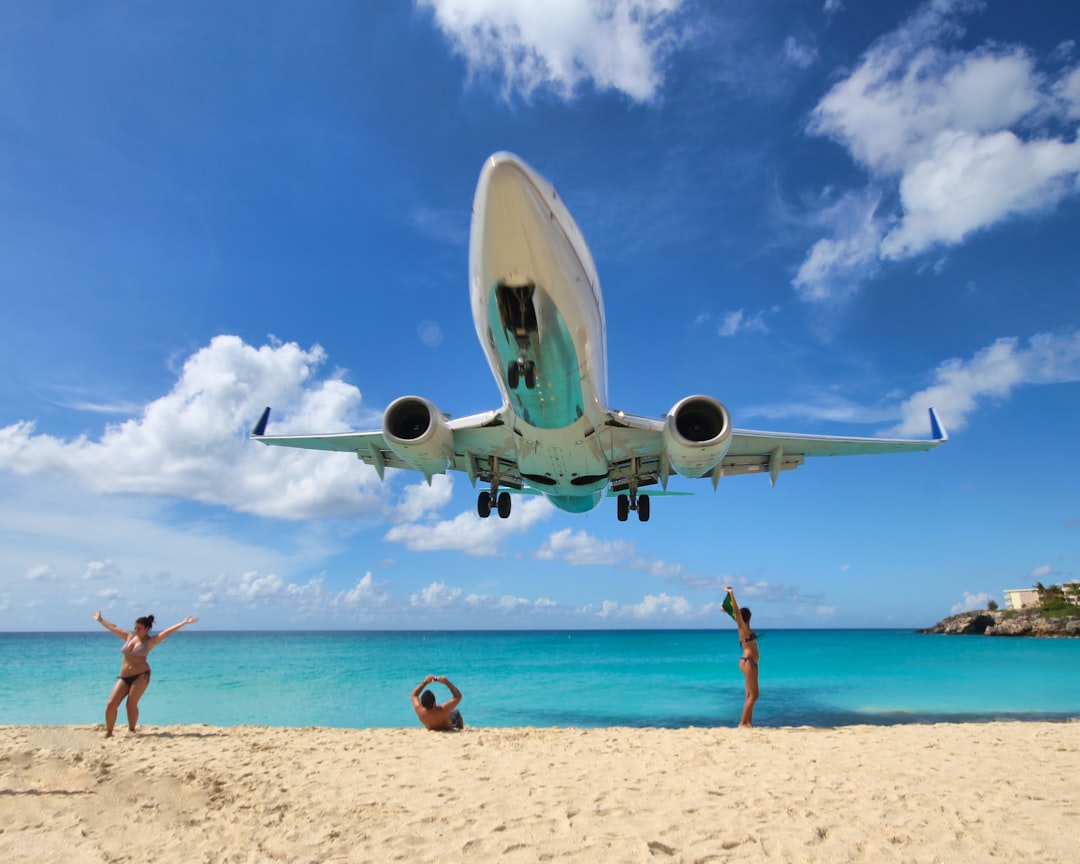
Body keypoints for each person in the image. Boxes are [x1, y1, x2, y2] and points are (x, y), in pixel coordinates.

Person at [93, 610, 199, 737]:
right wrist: (101, 619)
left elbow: (166, 633)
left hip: (141, 676)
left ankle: (131, 730)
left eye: (139, 628)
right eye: (135, 628)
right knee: (111, 704)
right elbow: (113, 627)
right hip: (124, 676)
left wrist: (183, 623)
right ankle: (109, 732)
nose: (136, 630)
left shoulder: (150, 641)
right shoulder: (129, 637)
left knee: (130, 704)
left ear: (147, 629)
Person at [724, 587, 758, 727]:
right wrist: (731, 594)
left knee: (750, 694)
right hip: (748, 662)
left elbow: (736, 614)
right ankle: (742, 723)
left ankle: (749, 723)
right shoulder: (743, 628)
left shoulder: (747, 629)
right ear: (748, 617)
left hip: (751, 663)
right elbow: (737, 613)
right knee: (755, 695)